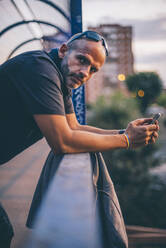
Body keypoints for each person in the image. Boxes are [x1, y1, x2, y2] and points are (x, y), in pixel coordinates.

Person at [0, 30, 159, 247]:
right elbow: (62, 141)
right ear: (64, 50)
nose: (85, 72)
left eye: (93, 69)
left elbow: (74, 127)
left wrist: (124, 132)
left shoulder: (59, 78)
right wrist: (127, 141)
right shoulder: (40, 68)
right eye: (82, 60)